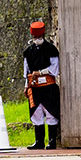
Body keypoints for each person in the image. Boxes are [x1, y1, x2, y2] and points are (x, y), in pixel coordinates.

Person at [23, 20, 60, 150]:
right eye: (35, 37)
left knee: (50, 112)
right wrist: (26, 86)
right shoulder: (28, 52)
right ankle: (39, 141)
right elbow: (26, 71)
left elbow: (55, 69)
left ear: (43, 36)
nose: (36, 39)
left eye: (39, 37)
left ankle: (51, 141)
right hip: (35, 88)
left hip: (49, 87)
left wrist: (40, 72)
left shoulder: (51, 49)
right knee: (36, 113)